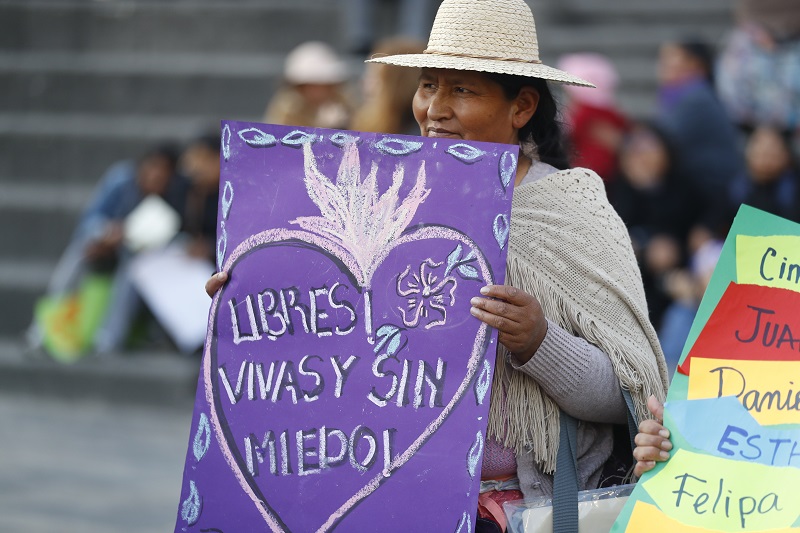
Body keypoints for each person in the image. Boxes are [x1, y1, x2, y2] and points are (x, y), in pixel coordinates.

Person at [207, 1, 668, 530]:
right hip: (386, 501)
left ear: (520, 106)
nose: (435, 108)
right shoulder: (379, 199)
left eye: (463, 90)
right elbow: (330, 360)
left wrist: (539, 342)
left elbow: (633, 394)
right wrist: (253, 301)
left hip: (521, 511)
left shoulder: (571, 210)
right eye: (429, 86)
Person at [32, 143, 188, 356]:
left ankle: (109, 338)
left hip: (145, 260)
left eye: (163, 173)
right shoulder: (120, 180)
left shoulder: (178, 195)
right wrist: (104, 235)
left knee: (134, 268)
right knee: (79, 250)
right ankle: (41, 329)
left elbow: (180, 237)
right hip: (106, 246)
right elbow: (90, 219)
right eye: (151, 168)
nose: (154, 176)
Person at [557, 53, 629, 185]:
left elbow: (569, 132)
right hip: (610, 169)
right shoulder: (611, 111)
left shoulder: (583, 112)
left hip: (587, 167)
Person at [264, 41, 353, 130]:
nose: (316, 92)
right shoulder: (287, 107)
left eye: (322, 85)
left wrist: (338, 127)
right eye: (310, 86)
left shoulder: (344, 103)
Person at [349, 37, 426, 135]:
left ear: (398, 85)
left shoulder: (418, 133)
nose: (364, 83)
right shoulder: (371, 123)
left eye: (373, 77)